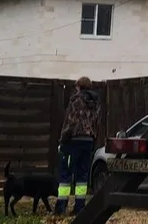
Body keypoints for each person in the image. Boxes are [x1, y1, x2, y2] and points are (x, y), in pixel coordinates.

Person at [56, 76, 101, 215]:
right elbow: (96, 122)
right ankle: (79, 207)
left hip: (74, 141)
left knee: (66, 174)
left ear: (79, 87)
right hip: (88, 141)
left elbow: (70, 121)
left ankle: (61, 206)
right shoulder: (95, 101)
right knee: (82, 175)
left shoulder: (76, 100)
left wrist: (62, 140)